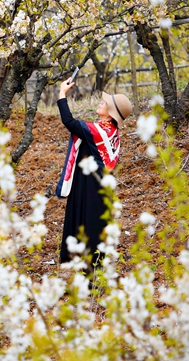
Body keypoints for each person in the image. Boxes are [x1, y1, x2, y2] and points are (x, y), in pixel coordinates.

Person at [56, 78, 132, 268]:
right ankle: (90, 273)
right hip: (93, 185)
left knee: (90, 227)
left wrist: (62, 95)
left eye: (105, 103)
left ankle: (92, 279)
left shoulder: (102, 131)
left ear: (111, 113)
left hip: (92, 187)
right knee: (93, 227)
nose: (101, 102)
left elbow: (69, 122)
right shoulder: (110, 131)